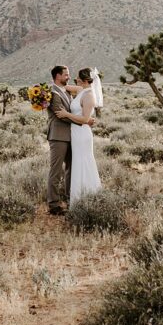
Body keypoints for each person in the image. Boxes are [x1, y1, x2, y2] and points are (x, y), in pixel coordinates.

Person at [45, 65, 94, 215]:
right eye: (66, 75)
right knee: (56, 170)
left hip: (73, 136)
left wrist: (83, 120)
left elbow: (70, 112)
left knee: (71, 169)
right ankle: (53, 205)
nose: (68, 77)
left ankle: (69, 199)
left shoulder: (66, 91)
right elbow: (62, 115)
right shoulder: (52, 93)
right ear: (58, 76)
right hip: (58, 136)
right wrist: (84, 121)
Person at [56, 67, 103, 203]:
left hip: (82, 134)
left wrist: (66, 114)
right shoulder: (81, 90)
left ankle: (88, 196)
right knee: (77, 163)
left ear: (83, 81)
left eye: (77, 78)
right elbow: (64, 87)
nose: (75, 79)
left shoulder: (89, 96)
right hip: (75, 134)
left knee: (84, 162)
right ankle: (78, 198)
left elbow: (84, 120)